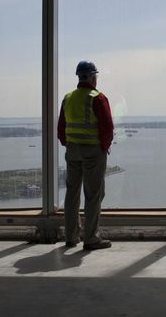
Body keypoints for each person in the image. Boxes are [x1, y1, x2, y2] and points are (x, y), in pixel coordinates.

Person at [58, 60, 114, 250]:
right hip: (93, 152)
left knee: (72, 194)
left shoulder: (68, 98)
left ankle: (71, 237)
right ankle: (91, 238)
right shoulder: (97, 98)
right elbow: (107, 128)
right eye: (95, 76)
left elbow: (61, 129)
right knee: (93, 195)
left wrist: (70, 144)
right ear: (91, 77)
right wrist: (102, 148)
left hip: (72, 151)